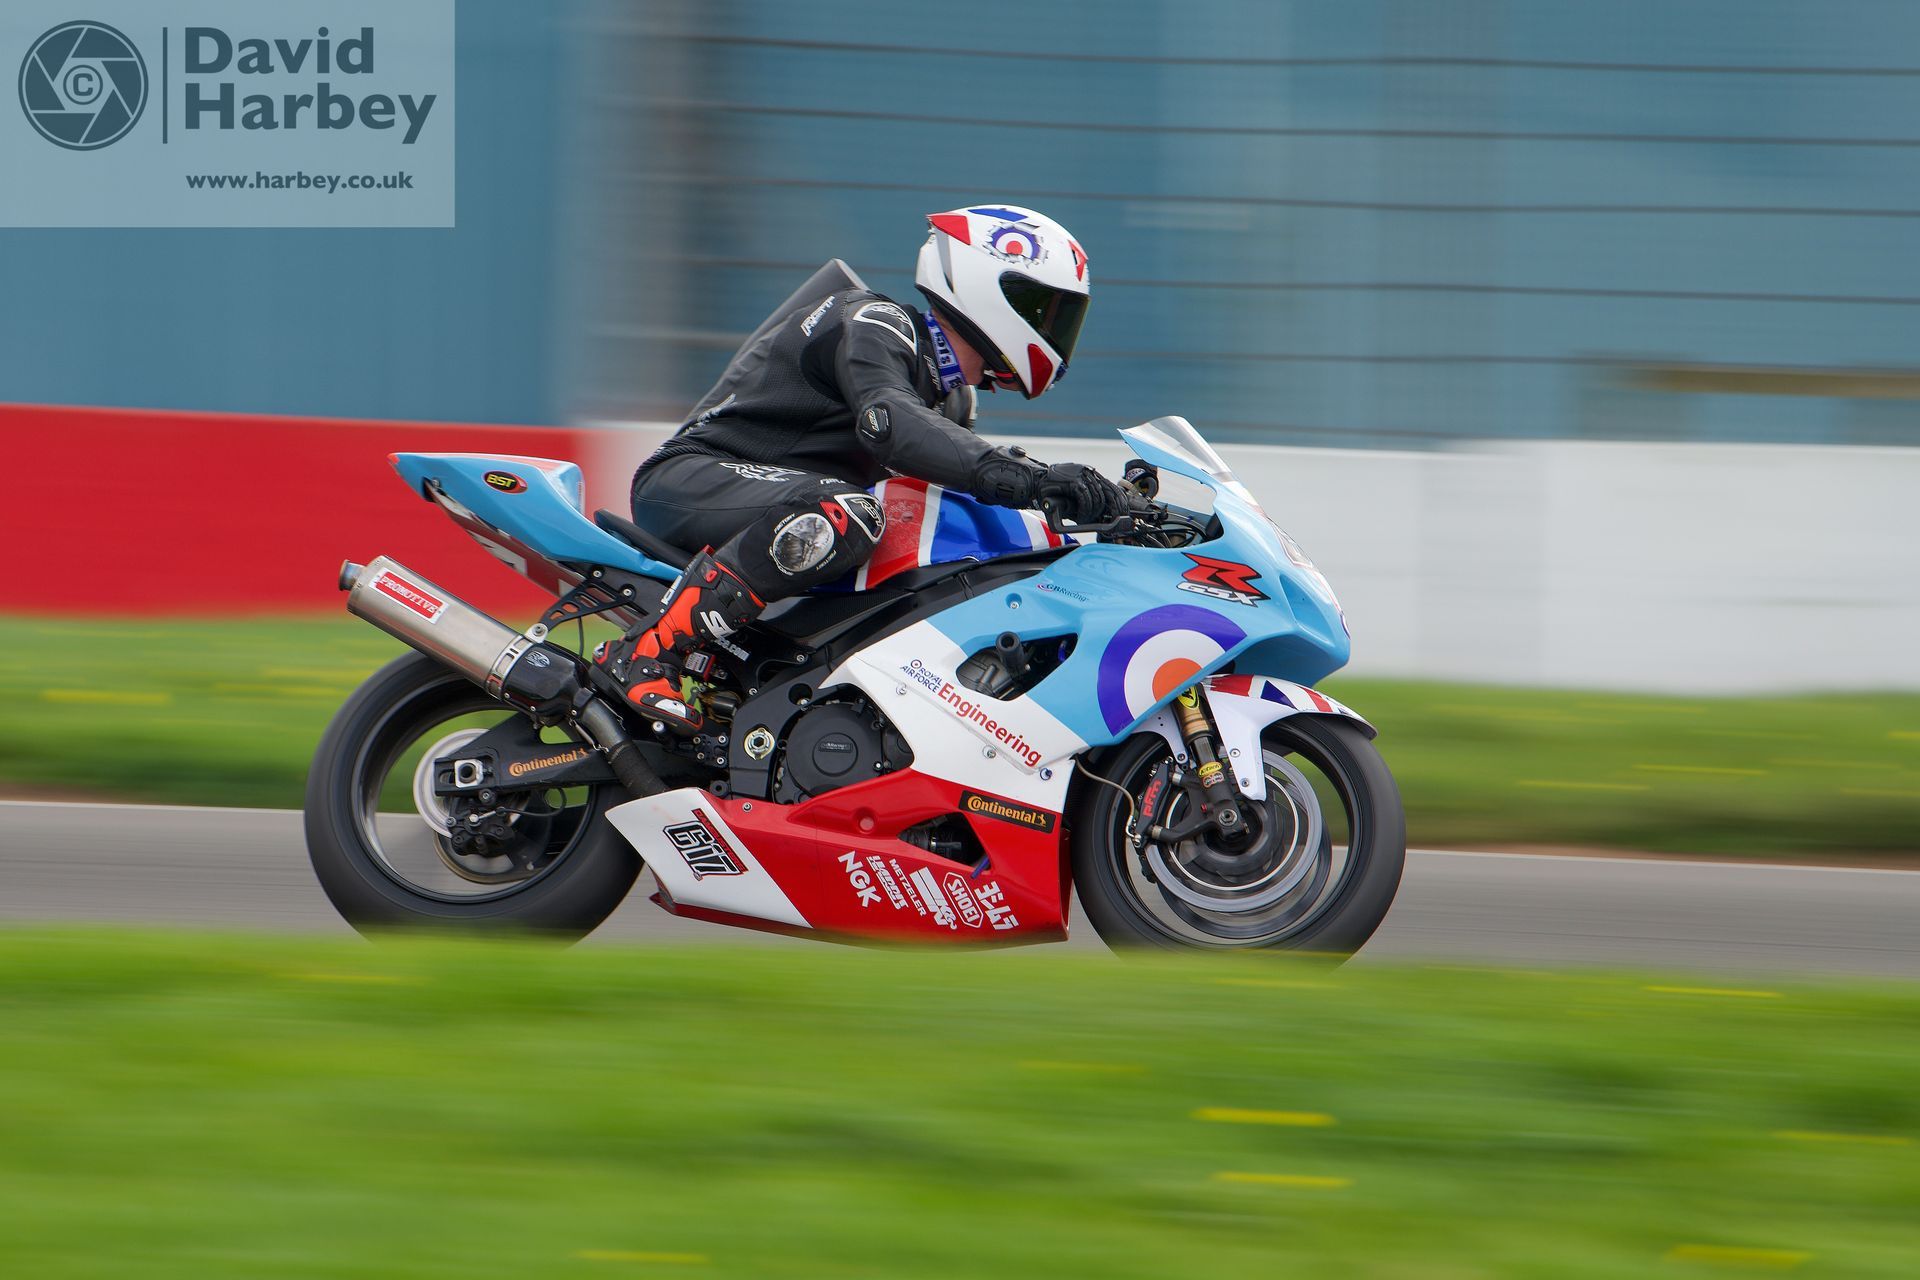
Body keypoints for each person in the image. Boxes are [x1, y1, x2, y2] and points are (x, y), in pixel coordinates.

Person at [596, 204, 1132, 734]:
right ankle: (644, 653)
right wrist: (1036, 479)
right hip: (692, 478)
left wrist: (1109, 517)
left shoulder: (950, 402)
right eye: (1042, 307)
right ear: (984, 281)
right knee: (845, 513)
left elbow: (964, 493)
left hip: (781, 514)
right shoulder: (877, 321)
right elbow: (891, 423)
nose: (1051, 327)